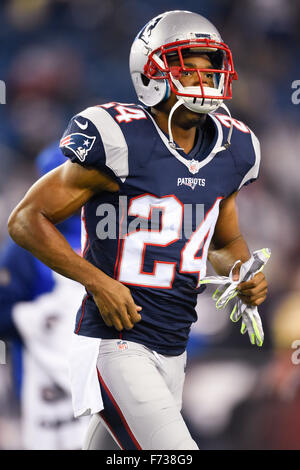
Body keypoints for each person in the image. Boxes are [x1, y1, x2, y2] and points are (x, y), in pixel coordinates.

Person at [7, 11, 268, 450]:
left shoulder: (234, 146)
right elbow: (25, 220)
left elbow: (222, 242)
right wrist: (98, 282)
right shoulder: (121, 137)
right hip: (117, 345)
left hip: (174, 344)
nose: (204, 75)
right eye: (189, 63)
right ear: (151, 70)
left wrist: (242, 272)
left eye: (211, 63)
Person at [0, 143, 90, 449]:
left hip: (106, 371)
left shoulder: (113, 233)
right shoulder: (25, 246)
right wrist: (44, 318)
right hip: (45, 386)